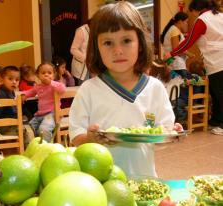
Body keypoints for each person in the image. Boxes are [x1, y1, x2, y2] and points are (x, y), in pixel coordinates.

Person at [69, 1, 182, 177]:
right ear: (96, 48)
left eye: (127, 40)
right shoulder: (88, 90)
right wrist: (90, 138)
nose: (118, 50)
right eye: (108, 43)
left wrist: (171, 134)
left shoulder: (155, 88)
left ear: (140, 43)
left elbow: (162, 135)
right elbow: (76, 137)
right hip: (99, 184)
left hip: (144, 179)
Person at [164, 0, 223, 135]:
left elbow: (189, 41)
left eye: (191, 13)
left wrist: (171, 53)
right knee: (215, 92)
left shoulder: (202, 20)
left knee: (219, 93)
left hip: (217, 61)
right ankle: (215, 120)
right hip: (215, 62)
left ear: (196, 9)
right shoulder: (220, 16)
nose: (192, 17)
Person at [22, 62, 66, 142]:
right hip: (39, 115)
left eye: (49, 73)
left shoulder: (54, 85)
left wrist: (51, 82)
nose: (46, 75)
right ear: (38, 75)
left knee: (43, 129)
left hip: (52, 114)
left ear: (54, 75)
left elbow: (62, 89)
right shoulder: (38, 87)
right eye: (43, 73)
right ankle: (35, 145)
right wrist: (24, 95)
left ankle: (46, 146)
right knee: (28, 128)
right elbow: (31, 92)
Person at [160, 12, 193, 78]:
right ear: (180, 21)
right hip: (177, 65)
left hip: (174, 65)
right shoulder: (175, 30)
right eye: (186, 22)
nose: (187, 24)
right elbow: (176, 50)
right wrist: (189, 54)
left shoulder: (173, 29)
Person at [70, 20, 90, 85]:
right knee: (83, 89)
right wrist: (86, 58)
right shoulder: (81, 31)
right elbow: (73, 49)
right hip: (82, 66)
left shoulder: (97, 31)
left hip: (93, 65)